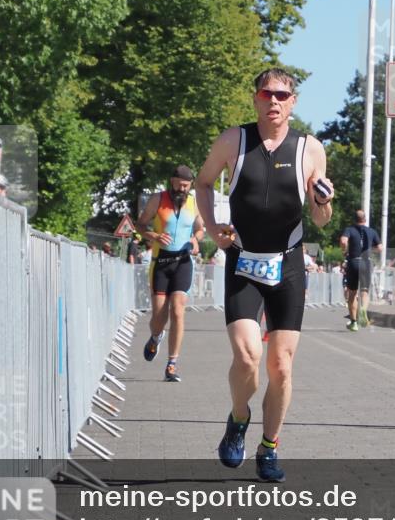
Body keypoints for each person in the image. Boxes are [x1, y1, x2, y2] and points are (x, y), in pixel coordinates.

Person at [195, 68, 333, 483]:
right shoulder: (232, 141)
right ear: (255, 99)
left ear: (293, 103)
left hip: (288, 264)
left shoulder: (310, 149)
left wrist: (323, 202)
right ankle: (239, 418)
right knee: (247, 356)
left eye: (282, 95)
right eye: (266, 93)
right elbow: (203, 184)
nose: (273, 101)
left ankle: (269, 447)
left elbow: (321, 219)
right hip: (243, 260)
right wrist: (214, 228)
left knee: (282, 366)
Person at [137, 165, 205, 383]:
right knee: (158, 317)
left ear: (190, 185)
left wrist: (196, 239)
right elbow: (140, 225)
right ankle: (156, 336)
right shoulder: (158, 199)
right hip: (161, 262)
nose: (181, 188)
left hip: (183, 262)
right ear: (171, 181)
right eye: (178, 184)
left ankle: (172, 364)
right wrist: (154, 235)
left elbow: (200, 229)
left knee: (178, 311)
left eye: (185, 185)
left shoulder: (194, 203)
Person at [340, 209, 382, 331]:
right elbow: (380, 248)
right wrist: (370, 249)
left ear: (355, 219)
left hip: (353, 261)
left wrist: (344, 249)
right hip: (366, 262)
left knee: (352, 293)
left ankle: (354, 322)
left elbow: (343, 241)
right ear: (365, 219)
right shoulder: (372, 231)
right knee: (364, 291)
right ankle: (363, 309)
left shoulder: (349, 229)